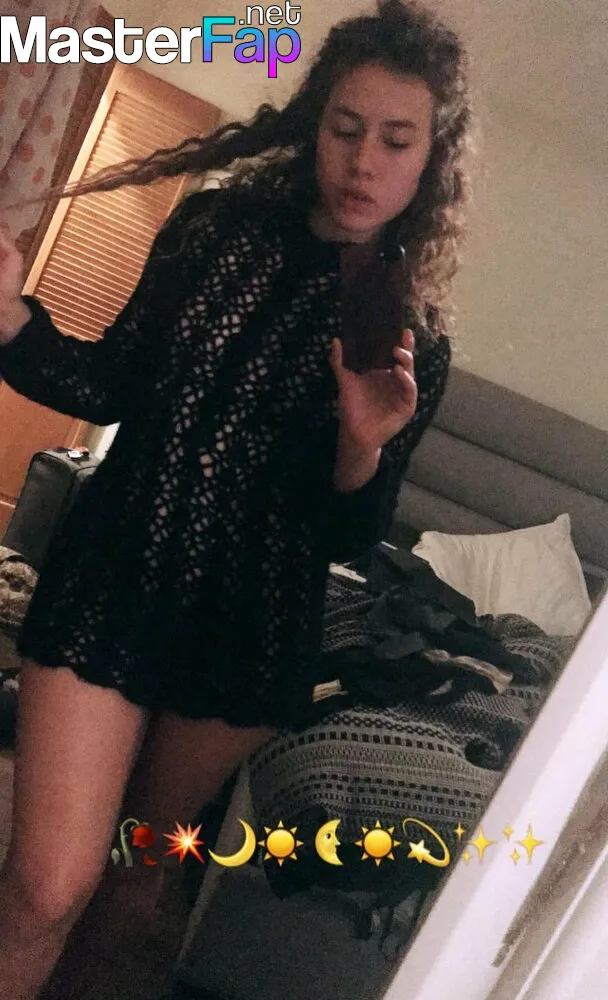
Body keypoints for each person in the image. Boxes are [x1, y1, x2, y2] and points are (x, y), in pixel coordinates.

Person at [0, 1, 473, 997]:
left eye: (396, 141)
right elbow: (108, 383)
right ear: (313, 122)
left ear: (431, 159)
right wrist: (10, 320)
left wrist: (361, 441)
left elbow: (348, 535)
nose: (363, 162)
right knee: (46, 883)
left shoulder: (413, 343)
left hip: (245, 635)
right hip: (112, 581)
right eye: (346, 128)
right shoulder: (214, 229)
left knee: (130, 886)